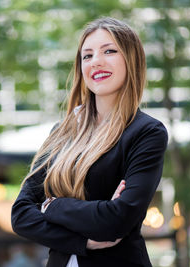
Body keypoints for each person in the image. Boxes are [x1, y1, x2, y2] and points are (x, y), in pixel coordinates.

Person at [11, 17, 168, 267]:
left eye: (109, 51)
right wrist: (82, 241)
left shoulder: (146, 132)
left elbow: (116, 221)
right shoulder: (62, 132)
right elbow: (20, 215)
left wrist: (52, 205)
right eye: (87, 55)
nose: (96, 61)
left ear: (132, 59)